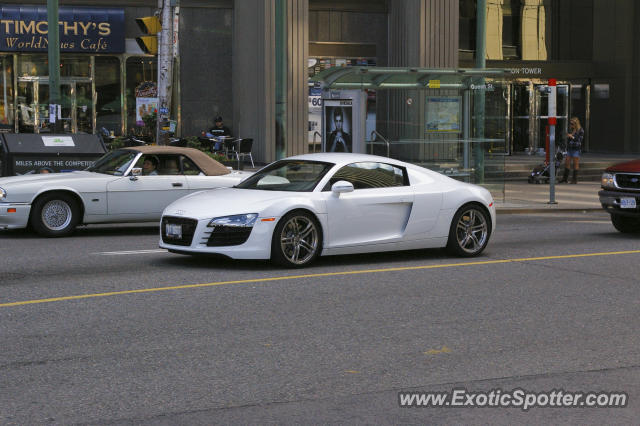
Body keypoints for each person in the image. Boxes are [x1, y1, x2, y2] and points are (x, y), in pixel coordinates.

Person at [560, 117, 584, 184]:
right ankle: (565, 179)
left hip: (576, 149)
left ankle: (574, 180)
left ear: (576, 124)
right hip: (570, 148)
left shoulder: (581, 130)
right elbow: (570, 139)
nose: (571, 125)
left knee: (575, 164)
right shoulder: (572, 130)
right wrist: (568, 137)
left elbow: (579, 140)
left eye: (572, 124)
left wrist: (572, 137)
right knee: (567, 162)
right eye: (570, 124)